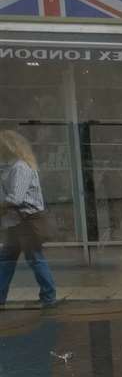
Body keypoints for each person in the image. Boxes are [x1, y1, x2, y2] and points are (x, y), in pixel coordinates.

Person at [0, 130, 58, 308]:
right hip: (15, 222)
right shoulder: (9, 166)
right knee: (6, 260)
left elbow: (15, 198)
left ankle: (48, 297)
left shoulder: (21, 167)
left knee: (34, 258)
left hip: (26, 221)